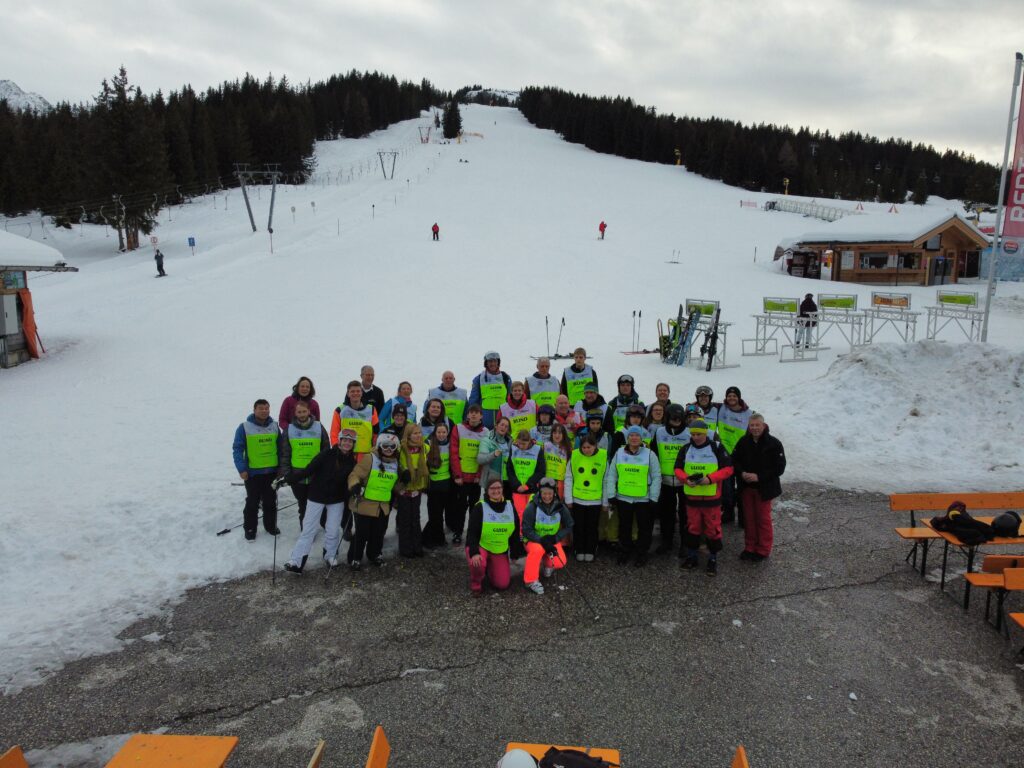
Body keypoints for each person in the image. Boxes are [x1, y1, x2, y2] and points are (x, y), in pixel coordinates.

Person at [281, 428, 358, 572]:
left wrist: (355, 490)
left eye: (350, 441)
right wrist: (289, 478)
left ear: (354, 444)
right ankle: (296, 561)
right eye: (344, 440)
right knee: (308, 529)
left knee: (333, 529)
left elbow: (351, 481)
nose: (347, 443)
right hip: (316, 496)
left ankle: (330, 555)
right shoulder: (326, 454)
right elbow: (308, 470)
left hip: (336, 499)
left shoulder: (352, 463)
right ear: (339, 441)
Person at [674, 420, 733, 576]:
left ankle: (712, 559)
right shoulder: (686, 448)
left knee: (712, 529)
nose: (696, 437)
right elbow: (677, 468)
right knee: (693, 528)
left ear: (705, 433)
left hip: (712, 499)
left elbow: (728, 468)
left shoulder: (717, 447)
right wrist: (685, 479)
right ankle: (692, 557)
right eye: (693, 434)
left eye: (699, 434)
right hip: (692, 498)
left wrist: (710, 478)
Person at [732, 413, 786, 561]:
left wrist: (759, 477)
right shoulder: (743, 441)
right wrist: (741, 473)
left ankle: (763, 549)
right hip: (746, 488)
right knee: (748, 519)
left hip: (764, 489)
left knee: (762, 519)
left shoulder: (774, 443)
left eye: (757, 425)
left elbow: (779, 468)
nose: (755, 428)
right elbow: (734, 460)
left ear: (763, 425)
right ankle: (750, 547)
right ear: (749, 427)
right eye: (752, 425)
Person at [347, 432, 405, 569]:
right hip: (365, 503)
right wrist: (354, 485)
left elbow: (395, 487)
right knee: (362, 532)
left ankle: (375, 555)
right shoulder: (370, 458)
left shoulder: (396, 463)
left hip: (382, 505)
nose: (389, 450)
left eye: (392, 447)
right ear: (379, 446)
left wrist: (404, 482)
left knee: (378, 532)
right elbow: (355, 474)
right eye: (385, 446)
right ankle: (355, 558)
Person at [605, 425, 661, 566]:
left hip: (644, 498)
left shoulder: (649, 454)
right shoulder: (619, 453)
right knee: (625, 527)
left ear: (641, 438)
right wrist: (611, 494)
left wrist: (654, 497)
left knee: (644, 528)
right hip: (624, 497)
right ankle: (624, 551)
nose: (634, 438)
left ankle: (642, 553)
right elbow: (612, 475)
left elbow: (656, 477)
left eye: (637, 435)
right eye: (631, 435)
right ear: (627, 438)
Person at [465, 478, 526, 595]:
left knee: (502, 584)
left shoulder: (510, 506)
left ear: (502, 489)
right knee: (477, 563)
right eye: (492, 488)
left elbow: (515, 531)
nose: (496, 491)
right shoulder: (480, 507)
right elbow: (472, 533)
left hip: (499, 550)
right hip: (482, 546)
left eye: (498, 488)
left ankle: (490, 569)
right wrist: (474, 552)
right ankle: (476, 583)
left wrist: (514, 552)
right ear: (487, 491)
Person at [231, 399, 281, 540]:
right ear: (254, 410)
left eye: (266, 408)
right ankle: (250, 528)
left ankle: (270, 526)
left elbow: (281, 448)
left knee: (270, 501)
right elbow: (237, 449)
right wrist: (241, 469)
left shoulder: (275, 426)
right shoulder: (244, 427)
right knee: (252, 502)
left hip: (271, 472)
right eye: (261, 408)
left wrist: (281, 469)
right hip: (252, 473)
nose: (264, 411)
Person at [278, 400, 330, 526]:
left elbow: (326, 449)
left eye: (304, 411)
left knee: (319, 503)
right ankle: (306, 529)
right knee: (303, 505)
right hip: (297, 475)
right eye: (299, 412)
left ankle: (323, 524)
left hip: (316, 474)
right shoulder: (289, 429)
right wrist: (287, 474)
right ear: (295, 413)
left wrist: (326, 470)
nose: (302, 414)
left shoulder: (318, 426)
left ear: (309, 411)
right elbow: (285, 453)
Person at [521, 477, 574, 594]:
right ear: (540, 492)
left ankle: (547, 564)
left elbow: (569, 524)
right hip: (533, 539)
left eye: (550, 493)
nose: (547, 496)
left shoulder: (560, 506)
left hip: (551, 539)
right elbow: (526, 529)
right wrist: (541, 539)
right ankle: (530, 580)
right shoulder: (532, 507)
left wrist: (556, 538)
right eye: (544, 493)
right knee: (537, 550)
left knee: (561, 562)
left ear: (554, 493)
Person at [650, 404, 689, 556]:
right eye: (673, 417)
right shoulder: (659, 432)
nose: (676, 420)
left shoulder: (688, 433)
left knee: (685, 512)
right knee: (667, 513)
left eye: (679, 418)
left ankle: (685, 543)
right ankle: (667, 541)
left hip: (684, 480)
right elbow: (653, 453)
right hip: (665, 480)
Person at [565, 432, 609, 561]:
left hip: (595, 500)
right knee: (579, 526)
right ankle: (579, 548)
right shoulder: (574, 456)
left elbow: (605, 480)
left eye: (589, 447)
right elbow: (569, 477)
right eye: (584, 447)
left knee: (592, 526)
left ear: (595, 446)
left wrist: (605, 502)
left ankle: (591, 548)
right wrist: (569, 499)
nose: (586, 450)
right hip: (578, 499)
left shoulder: (603, 456)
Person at [449, 404, 487, 544]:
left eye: (477, 413)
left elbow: (484, 456)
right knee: (459, 507)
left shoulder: (486, 432)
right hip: (461, 478)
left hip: (475, 479)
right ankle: (457, 532)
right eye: (471, 412)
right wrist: (457, 475)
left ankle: (473, 534)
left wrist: (479, 475)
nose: (474, 415)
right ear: (467, 415)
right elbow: (453, 452)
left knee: (474, 508)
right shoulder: (459, 428)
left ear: (481, 416)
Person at [717, 386, 753, 524]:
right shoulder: (721, 409)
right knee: (727, 486)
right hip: (726, 454)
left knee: (742, 487)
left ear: (739, 397)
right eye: (729, 396)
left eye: (734, 396)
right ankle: (729, 513)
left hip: (741, 454)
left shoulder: (748, 413)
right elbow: (705, 405)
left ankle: (743, 517)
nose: (731, 398)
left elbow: (755, 429)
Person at [396, 425, 430, 557]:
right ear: (408, 435)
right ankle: (405, 549)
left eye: (420, 433)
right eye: (415, 433)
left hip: (417, 487)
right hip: (404, 488)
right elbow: (395, 463)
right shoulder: (401, 448)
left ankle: (417, 546)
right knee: (405, 519)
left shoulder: (425, 448)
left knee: (415, 518)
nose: (418, 436)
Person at [423, 423, 456, 548]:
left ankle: (437, 538)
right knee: (434, 514)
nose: (441, 435)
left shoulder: (450, 444)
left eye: (444, 432)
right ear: (435, 433)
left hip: (446, 483)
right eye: (439, 432)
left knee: (441, 513)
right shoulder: (429, 443)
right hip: (433, 484)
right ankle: (433, 539)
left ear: (447, 433)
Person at [330, 381, 379, 454]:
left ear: (362, 393)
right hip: (346, 453)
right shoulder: (340, 410)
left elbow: (376, 432)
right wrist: (336, 449)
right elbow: (334, 432)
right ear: (348, 393)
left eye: (358, 391)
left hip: (366, 454)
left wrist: (375, 448)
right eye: (352, 391)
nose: (355, 393)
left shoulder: (371, 409)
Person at [469, 351, 513, 429]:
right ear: (486, 363)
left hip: (502, 419)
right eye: (490, 361)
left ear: (498, 362)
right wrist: (471, 419)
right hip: (484, 421)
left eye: (495, 361)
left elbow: (510, 398)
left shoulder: (506, 378)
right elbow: (473, 401)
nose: (492, 364)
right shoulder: (479, 379)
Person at [506, 429, 546, 516]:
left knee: (531, 515)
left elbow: (541, 471)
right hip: (518, 489)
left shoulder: (538, 449)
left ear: (529, 441)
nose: (521, 446)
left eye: (524, 444)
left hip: (531, 489)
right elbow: (510, 469)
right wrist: (516, 485)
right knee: (519, 515)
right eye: (519, 443)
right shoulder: (514, 448)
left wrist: (527, 485)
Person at [477, 416, 513, 492]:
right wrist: (493, 455)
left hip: (507, 481)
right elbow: (480, 459)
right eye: (502, 425)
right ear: (496, 425)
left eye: (506, 426)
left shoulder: (510, 442)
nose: (503, 428)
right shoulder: (487, 440)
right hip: (491, 481)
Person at [542, 423, 572, 499]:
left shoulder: (568, 449)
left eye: (559, 433)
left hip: (560, 482)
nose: (557, 435)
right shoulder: (545, 446)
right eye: (555, 433)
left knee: (558, 504)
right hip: (547, 480)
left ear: (564, 434)